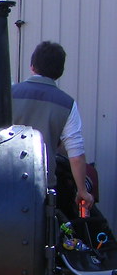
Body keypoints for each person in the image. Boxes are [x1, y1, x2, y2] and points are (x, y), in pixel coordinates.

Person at [12, 40, 94, 217]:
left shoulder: (8, 94)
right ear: (60, 72)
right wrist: (82, 191)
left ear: (32, 65)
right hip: (42, 187)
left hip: (5, 183)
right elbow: (76, 154)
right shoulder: (66, 104)